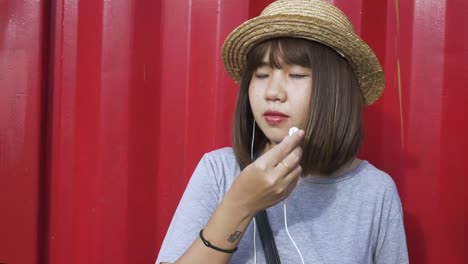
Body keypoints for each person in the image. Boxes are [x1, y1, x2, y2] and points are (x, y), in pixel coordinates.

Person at [156, 0, 409, 263]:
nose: (273, 93)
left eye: (297, 75)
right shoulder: (219, 171)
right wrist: (240, 204)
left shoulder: (375, 191)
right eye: (262, 75)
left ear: (335, 91)